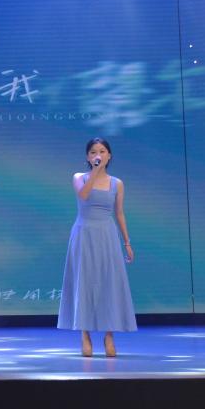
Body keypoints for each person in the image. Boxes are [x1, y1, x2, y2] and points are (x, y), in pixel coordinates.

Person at [57, 138, 136, 356]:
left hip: (107, 235)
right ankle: (85, 335)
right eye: (93, 152)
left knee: (110, 282)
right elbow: (84, 195)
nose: (97, 155)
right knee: (84, 282)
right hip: (84, 234)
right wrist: (95, 171)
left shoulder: (117, 183)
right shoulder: (79, 177)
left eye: (102, 151)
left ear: (109, 156)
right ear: (87, 157)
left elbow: (119, 213)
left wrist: (127, 242)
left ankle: (109, 335)